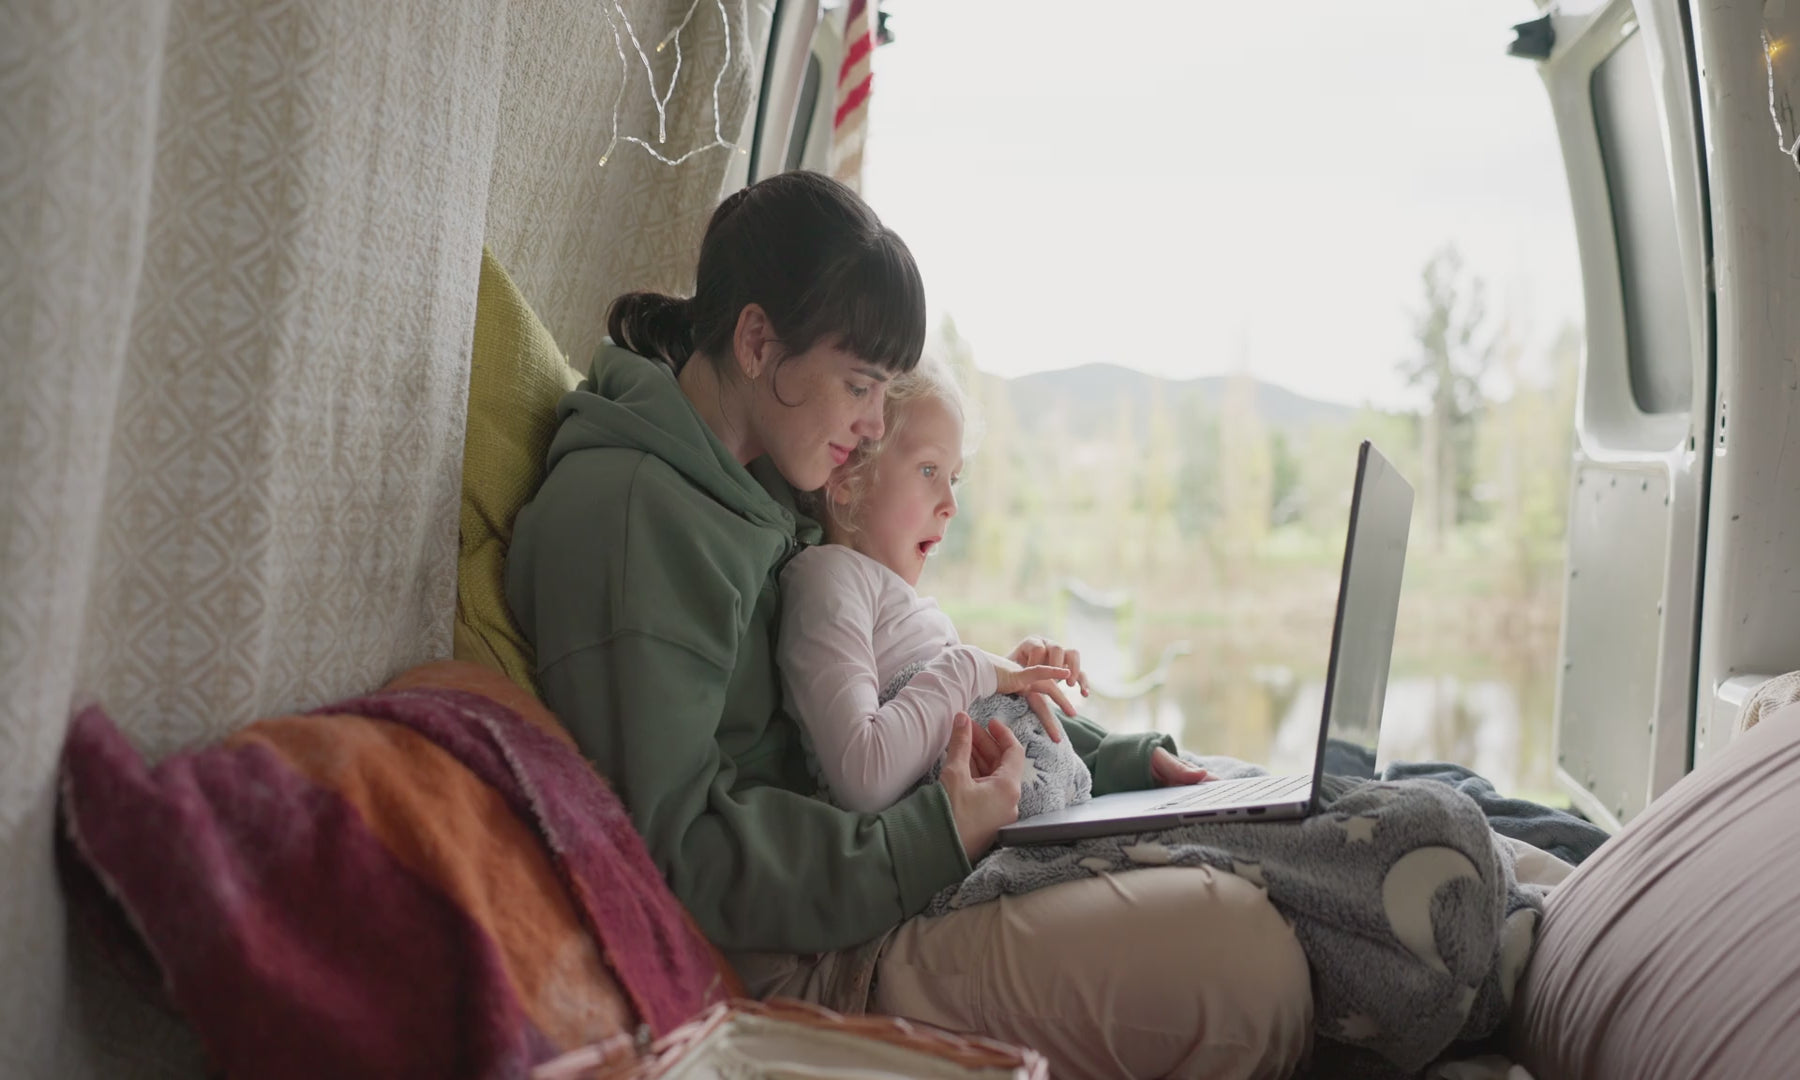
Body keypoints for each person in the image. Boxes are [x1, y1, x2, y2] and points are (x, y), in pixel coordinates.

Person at [506, 170, 1311, 1079]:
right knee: (1249, 966)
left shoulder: (766, 484)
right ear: (759, 339)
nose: (874, 424)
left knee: (1264, 836)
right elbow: (678, 853)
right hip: (812, 951)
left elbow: (882, 691)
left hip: (890, 871)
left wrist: (1108, 761)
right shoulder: (635, 521)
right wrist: (936, 835)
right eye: (860, 385)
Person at [779, 356, 1214, 818]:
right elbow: (863, 777)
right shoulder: (826, 577)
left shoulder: (890, 597)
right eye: (929, 470)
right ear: (847, 479)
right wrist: (973, 666)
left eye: (954, 478)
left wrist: (1010, 685)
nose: (950, 504)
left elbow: (941, 715)